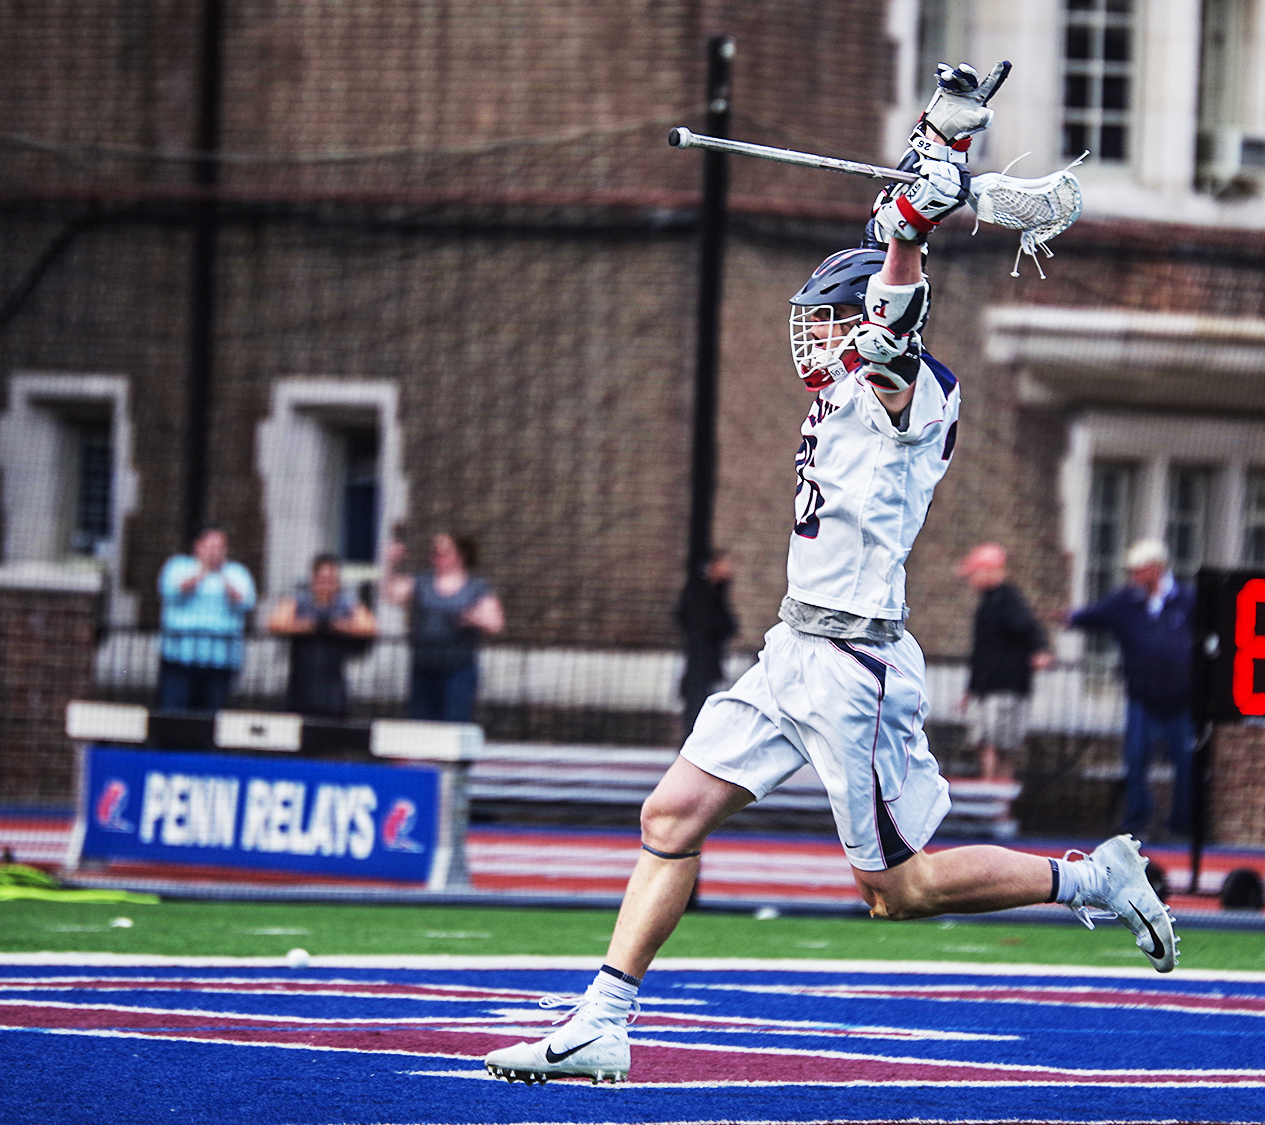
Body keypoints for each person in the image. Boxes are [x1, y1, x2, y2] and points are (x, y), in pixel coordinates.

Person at [483, 67, 1175, 1086]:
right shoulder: (857, 380)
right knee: (669, 817)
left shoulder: (899, 389)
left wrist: (911, 225)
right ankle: (601, 1019)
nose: (808, 333)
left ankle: (1087, 877)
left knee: (895, 892)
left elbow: (899, 291)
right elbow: (896, 235)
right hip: (792, 646)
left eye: (826, 316)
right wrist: (935, 158)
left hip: (854, 668)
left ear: (868, 320)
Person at [1066, 538, 1198, 843]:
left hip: (1181, 700)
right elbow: (1092, 616)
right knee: (1136, 758)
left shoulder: (1188, 601)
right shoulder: (1125, 602)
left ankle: (1181, 823)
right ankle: (1136, 820)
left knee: (1185, 761)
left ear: (1156, 569)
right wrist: (1068, 618)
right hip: (1142, 696)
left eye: (1138, 571)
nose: (1133, 578)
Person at [383, 531, 502, 722]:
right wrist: (392, 564)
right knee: (420, 728)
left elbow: (495, 623)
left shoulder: (476, 587)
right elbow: (392, 595)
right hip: (423, 669)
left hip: (458, 671)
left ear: (460, 556)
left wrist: (474, 619)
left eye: (443, 552)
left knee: (454, 726)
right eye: (434, 552)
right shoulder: (422, 582)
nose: (437, 556)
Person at [955, 542, 1050, 779]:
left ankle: (994, 800)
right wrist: (971, 689)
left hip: (1004, 689)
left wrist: (1041, 650)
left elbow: (1031, 628)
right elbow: (982, 651)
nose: (971, 581)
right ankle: (995, 799)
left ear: (989, 571)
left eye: (974, 573)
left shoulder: (1007, 601)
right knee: (992, 744)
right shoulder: (990, 603)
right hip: (990, 689)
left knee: (994, 745)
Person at [156, 526, 256, 713]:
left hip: (220, 658)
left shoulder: (237, 572)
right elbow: (172, 593)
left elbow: (245, 602)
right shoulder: (178, 566)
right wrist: (202, 572)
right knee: (174, 714)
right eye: (209, 546)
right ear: (197, 546)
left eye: (219, 547)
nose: (214, 551)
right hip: (180, 655)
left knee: (211, 717)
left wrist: (221, 575)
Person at [266, 554, 377, 719]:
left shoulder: (346, 604)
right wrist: (310, 626)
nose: (326, 584)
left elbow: (370, 627)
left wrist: (336, 626)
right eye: (322, 578)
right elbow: (274, 624)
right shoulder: (299, 602)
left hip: (334, 689)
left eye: (331, 579)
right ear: (313, 579)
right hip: (301, 688)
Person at [674, 549, 738, 737]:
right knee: (697, 701)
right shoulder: (699, 592)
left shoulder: (718, 591)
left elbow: (728, 625)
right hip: (699, 659)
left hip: (711, 658)